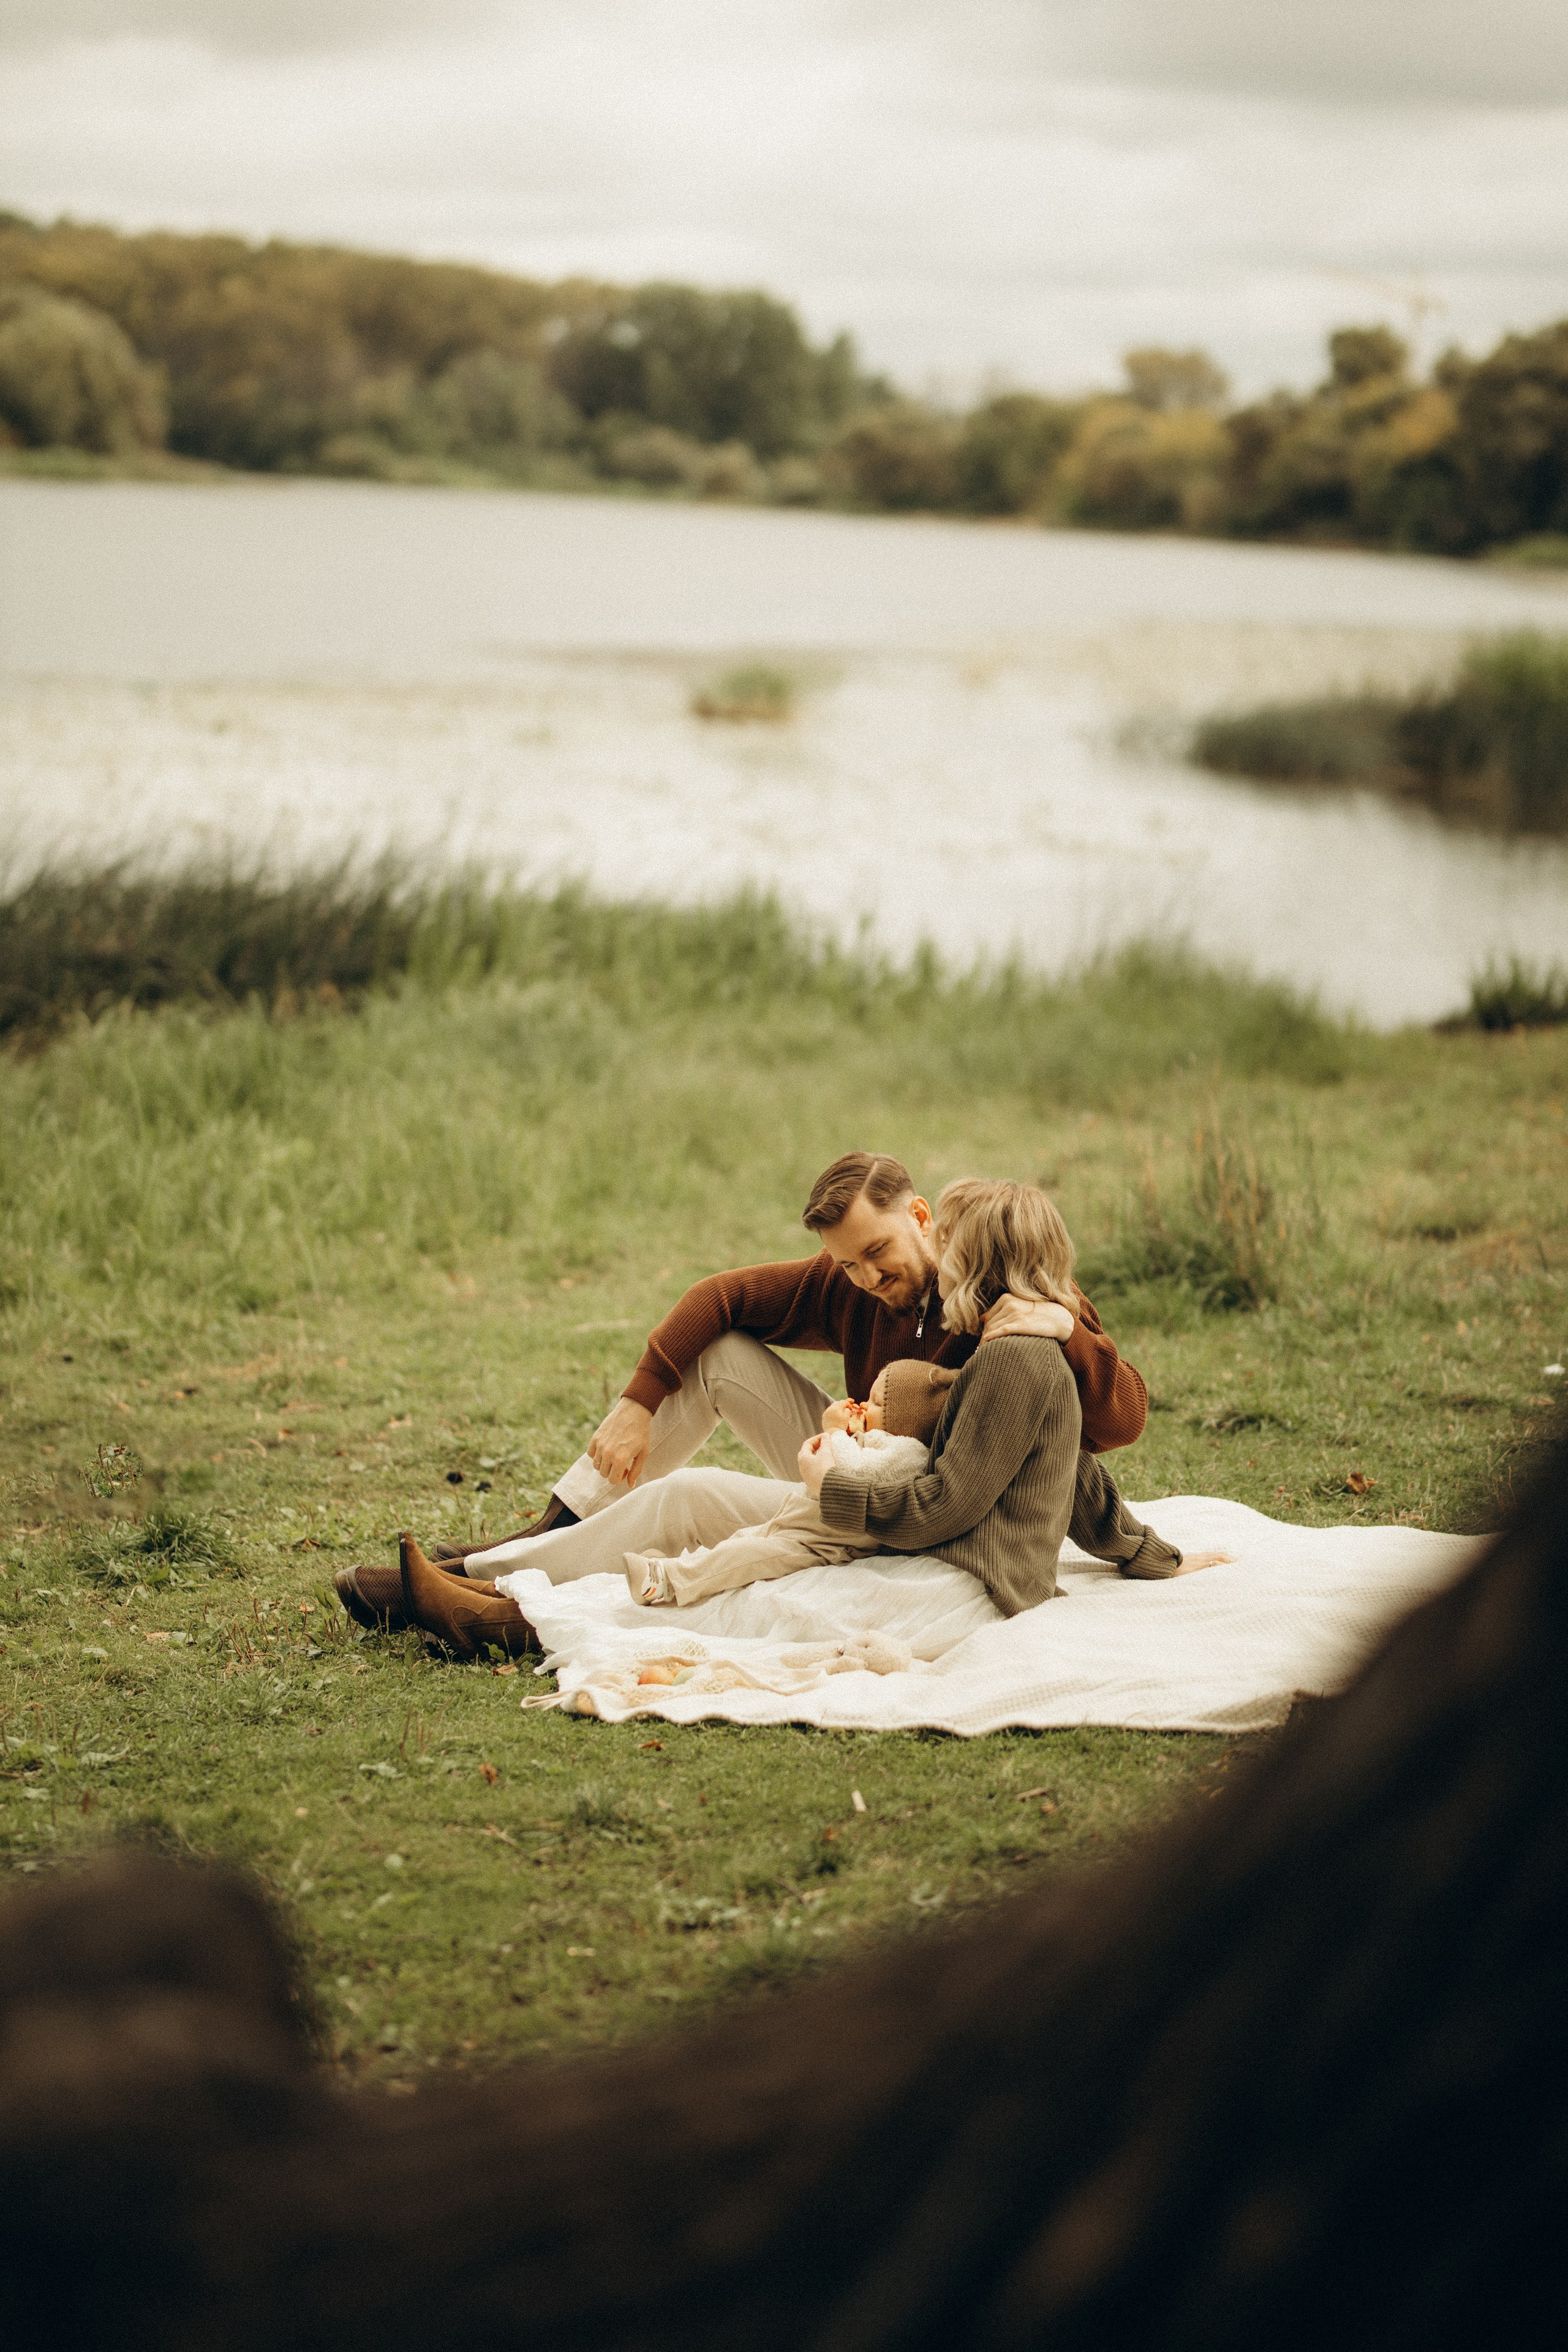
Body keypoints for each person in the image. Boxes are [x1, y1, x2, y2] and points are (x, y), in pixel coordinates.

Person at [336, 1150, 1174, 1638]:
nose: (866, 1278)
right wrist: (637, 1402)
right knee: (723, 1355)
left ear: (923, 1218)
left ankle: (497, 1600)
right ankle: (519, 1551)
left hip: (912, 1507)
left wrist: (1071, 1335)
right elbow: (721, 1297)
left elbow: (1113, 1427)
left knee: (693, 1504)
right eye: (845, 1263)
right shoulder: (854, 1285)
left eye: (878, 1252)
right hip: (869, 1466)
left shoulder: (1017, 1311)